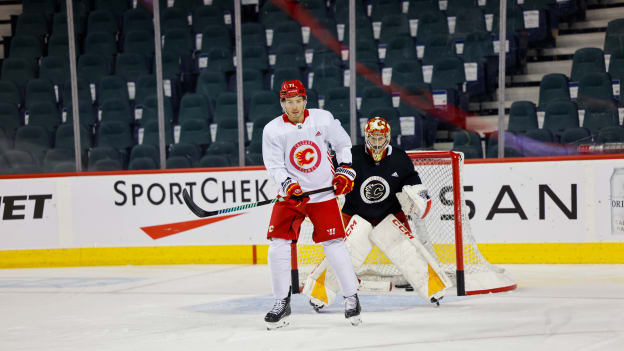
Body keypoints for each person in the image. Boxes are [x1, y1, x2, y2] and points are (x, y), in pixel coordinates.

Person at [302, 117, 453, 311]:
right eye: (373, 138)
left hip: (389, 214)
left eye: (380, 138)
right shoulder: (351, 155)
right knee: (343, 254)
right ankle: (319, 293)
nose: (376, 143)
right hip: (354, 214)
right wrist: (317, 197)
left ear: (388, 138)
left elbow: (413, 181)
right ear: (367, 137)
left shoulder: (399, 158)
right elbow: (326, 176)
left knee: (408, 252)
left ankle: (434, 289)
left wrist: (419, 196)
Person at [261, 80, 362, 330]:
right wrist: (288, 185)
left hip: (322, 195)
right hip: (291, 196)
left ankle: (351, 297)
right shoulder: (273, 130)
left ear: (305, 100)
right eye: (288, 102)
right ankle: (281, 302)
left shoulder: (322, 119)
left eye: (298, 101)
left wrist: (345, 170)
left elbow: (343, 144)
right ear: (282, 102)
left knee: (335, 244)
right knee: (277, 246)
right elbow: (274, 166)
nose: (294, 106)